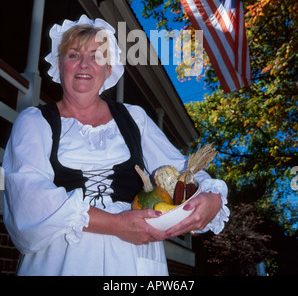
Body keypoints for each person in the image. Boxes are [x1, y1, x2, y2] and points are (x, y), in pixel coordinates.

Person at [3, 15, 229, 276]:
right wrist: (113, 223)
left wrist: (212, 196)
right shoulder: (34, 122)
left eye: (96, 56)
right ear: (59, 63)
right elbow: (28, 196)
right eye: (74, 54)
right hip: (63, 258)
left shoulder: (134, 118)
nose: (84, 64)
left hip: (133, 259)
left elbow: (180, 169)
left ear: (108, 68)